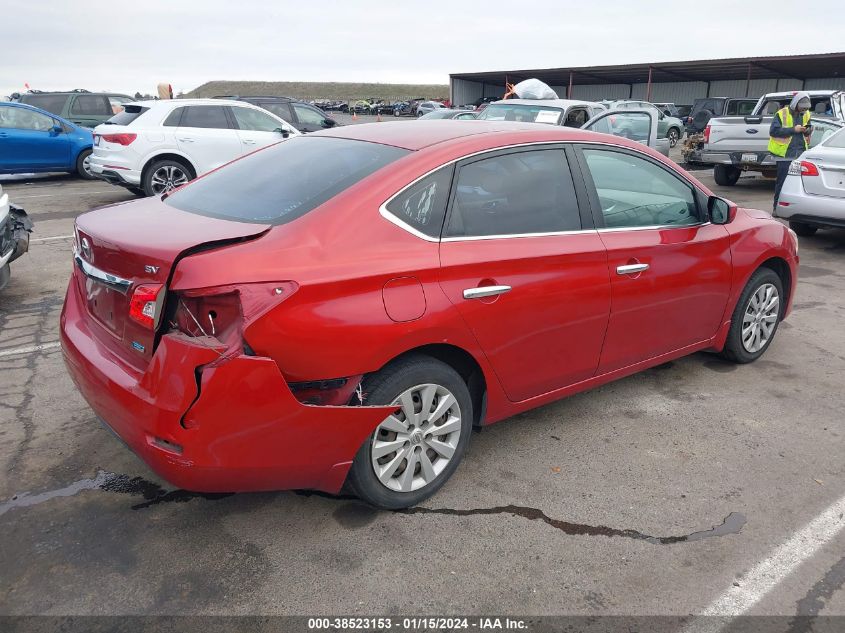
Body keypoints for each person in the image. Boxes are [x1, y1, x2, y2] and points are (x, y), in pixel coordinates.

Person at [769, 92, 812, 211]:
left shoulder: (806, 113)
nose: (802, 111)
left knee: (800, 185)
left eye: (804, 109)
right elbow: (774, 131)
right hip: (785, 155)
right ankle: (776, 209)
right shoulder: (781, 113)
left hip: (800, 154)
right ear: (795, 104)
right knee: (782, 183)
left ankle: (797, 209)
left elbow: (809, 127)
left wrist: (807, 130)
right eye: (801, 108)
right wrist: (794, 129)